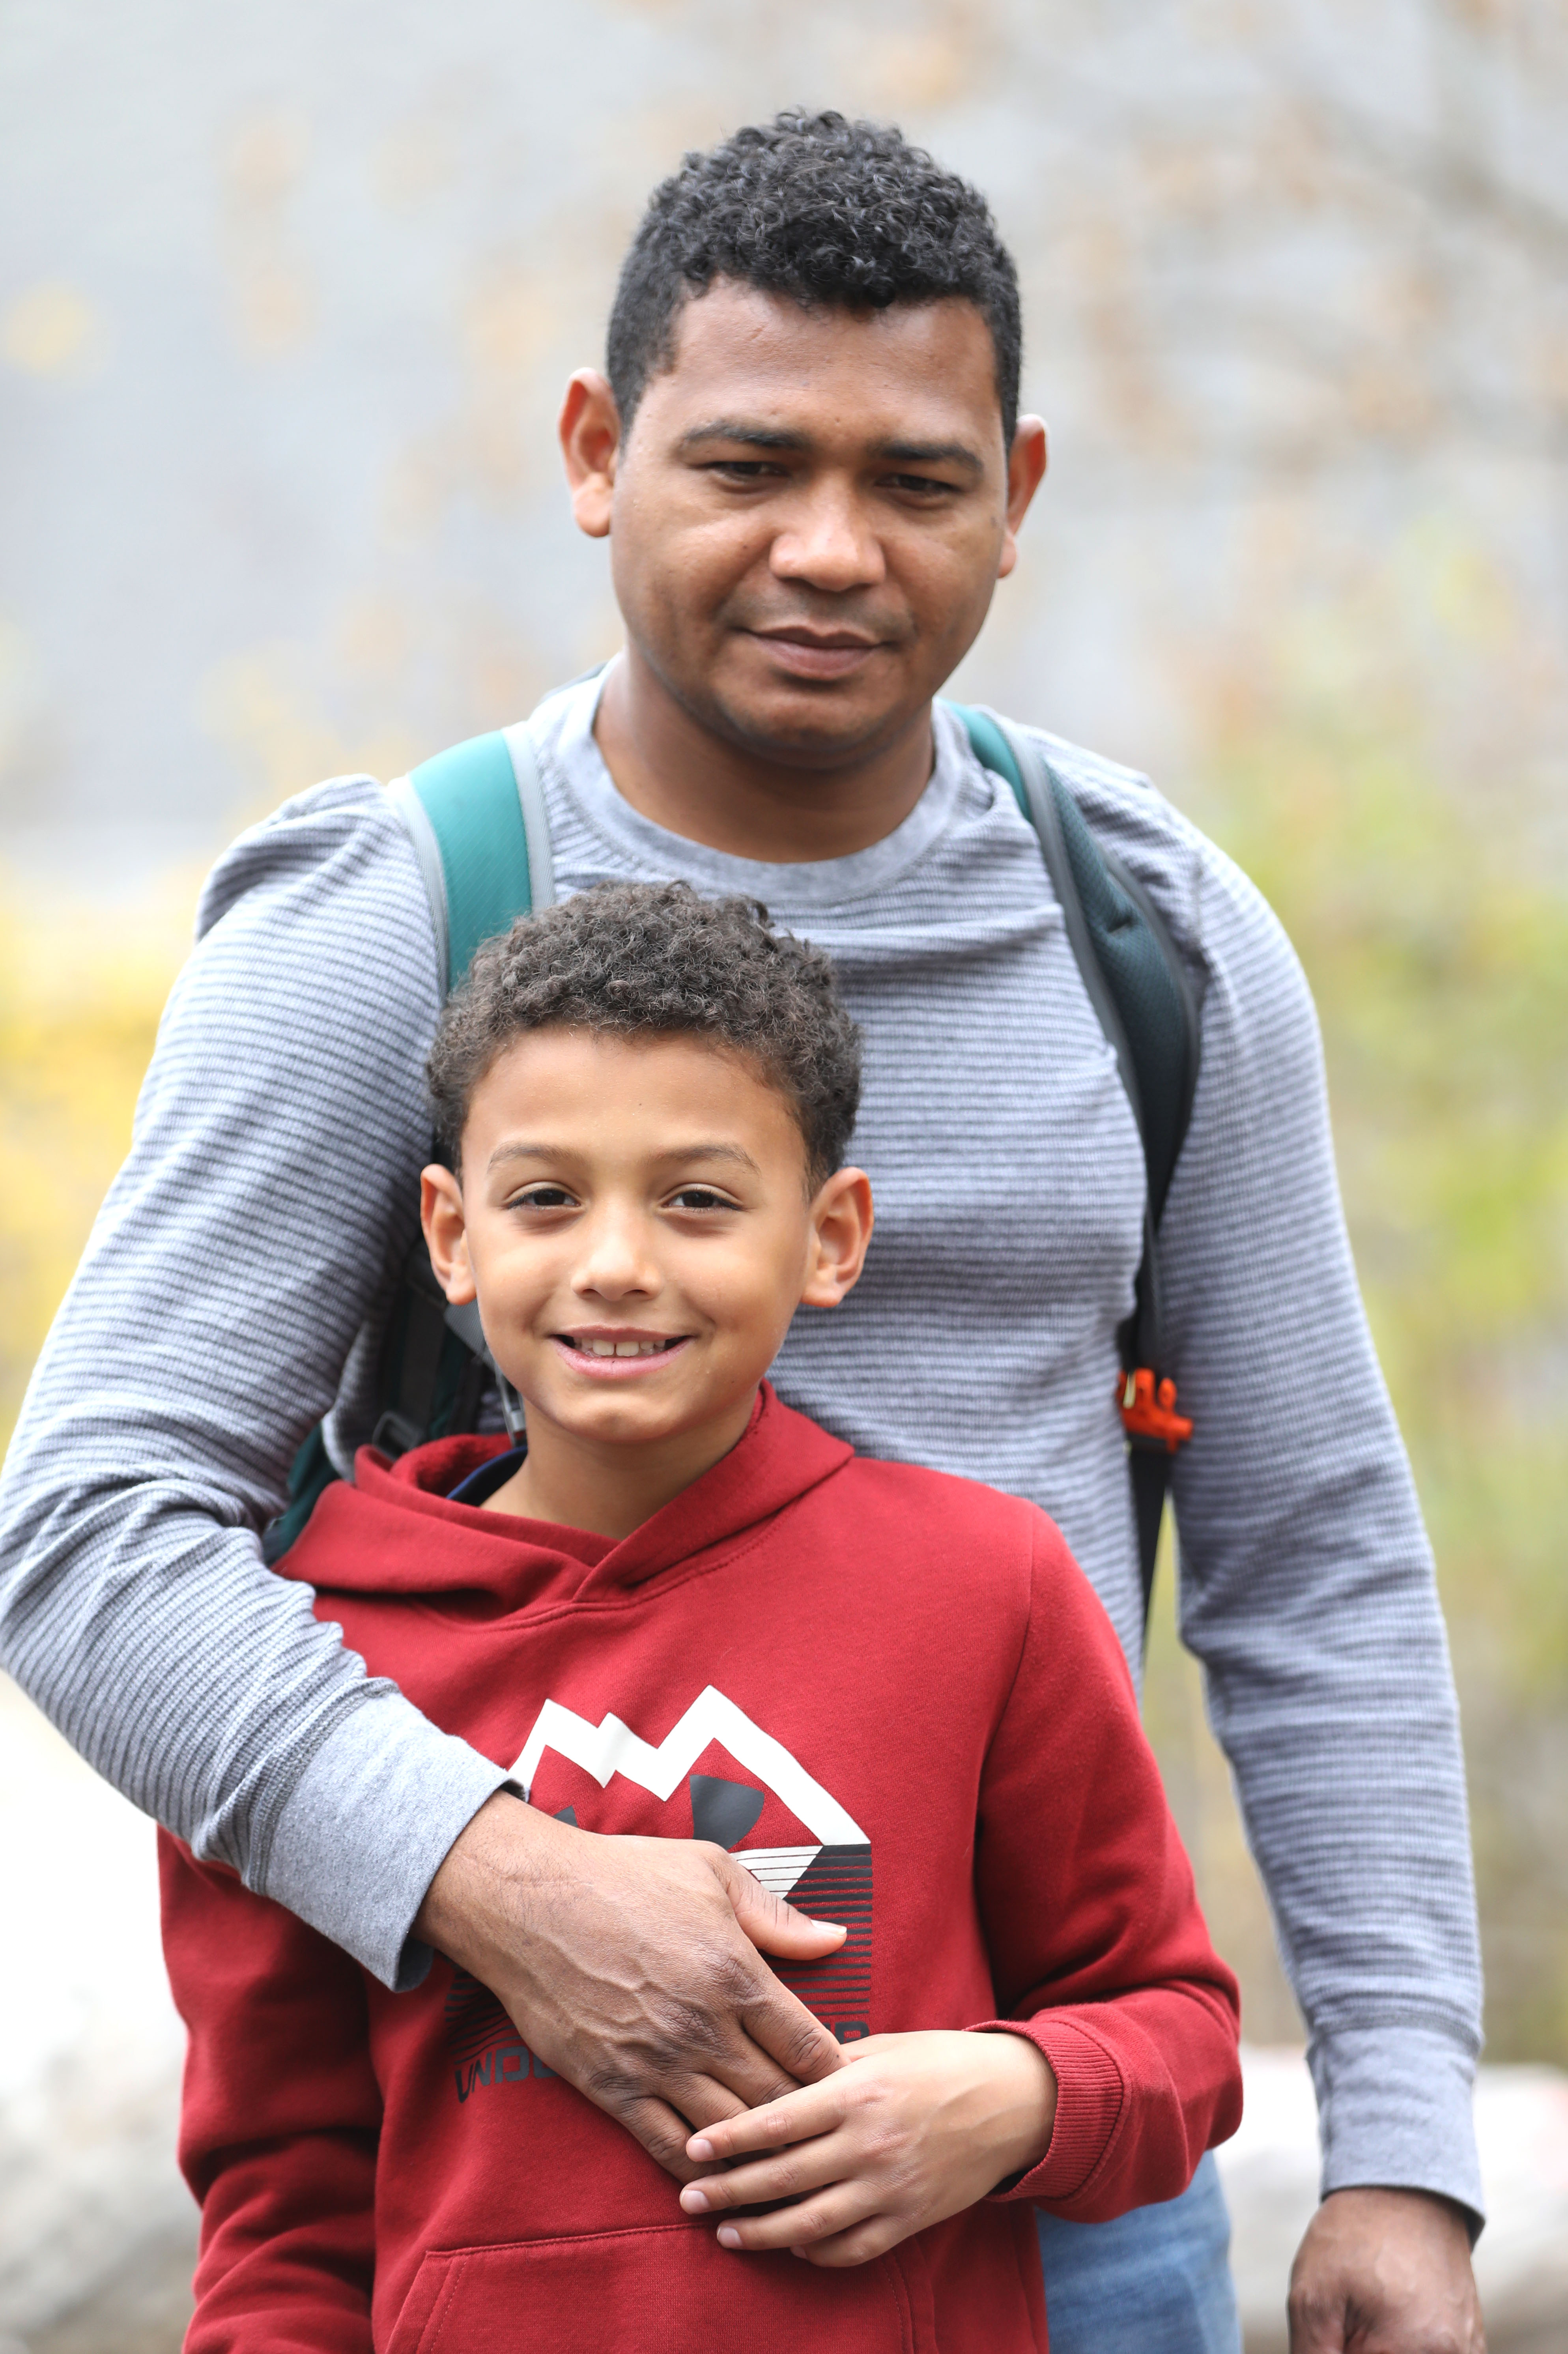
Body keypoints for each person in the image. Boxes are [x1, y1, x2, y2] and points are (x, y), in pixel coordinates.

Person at [0, 109, 1484, 2354]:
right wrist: (504, 1886)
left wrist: (1397, 2152)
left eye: (911, 481)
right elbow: (95, 1532)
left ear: (1016, 494)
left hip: (1054, 2188)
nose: (829, 550)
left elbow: (1310, 1550)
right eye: (746, 465)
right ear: (597, 452)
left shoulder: (1152, 940)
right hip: (504, 2176)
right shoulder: (384, 920)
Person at [161, 879, 1242, 2350]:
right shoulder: (300, 1663)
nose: (616, 1260)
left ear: (830, 1237)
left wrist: (1017, 2100)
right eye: (546, 1197)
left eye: (699, 1199)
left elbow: (1174, 2031)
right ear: (451, 1234)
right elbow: (284, 2207)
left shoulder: (985, 1587)